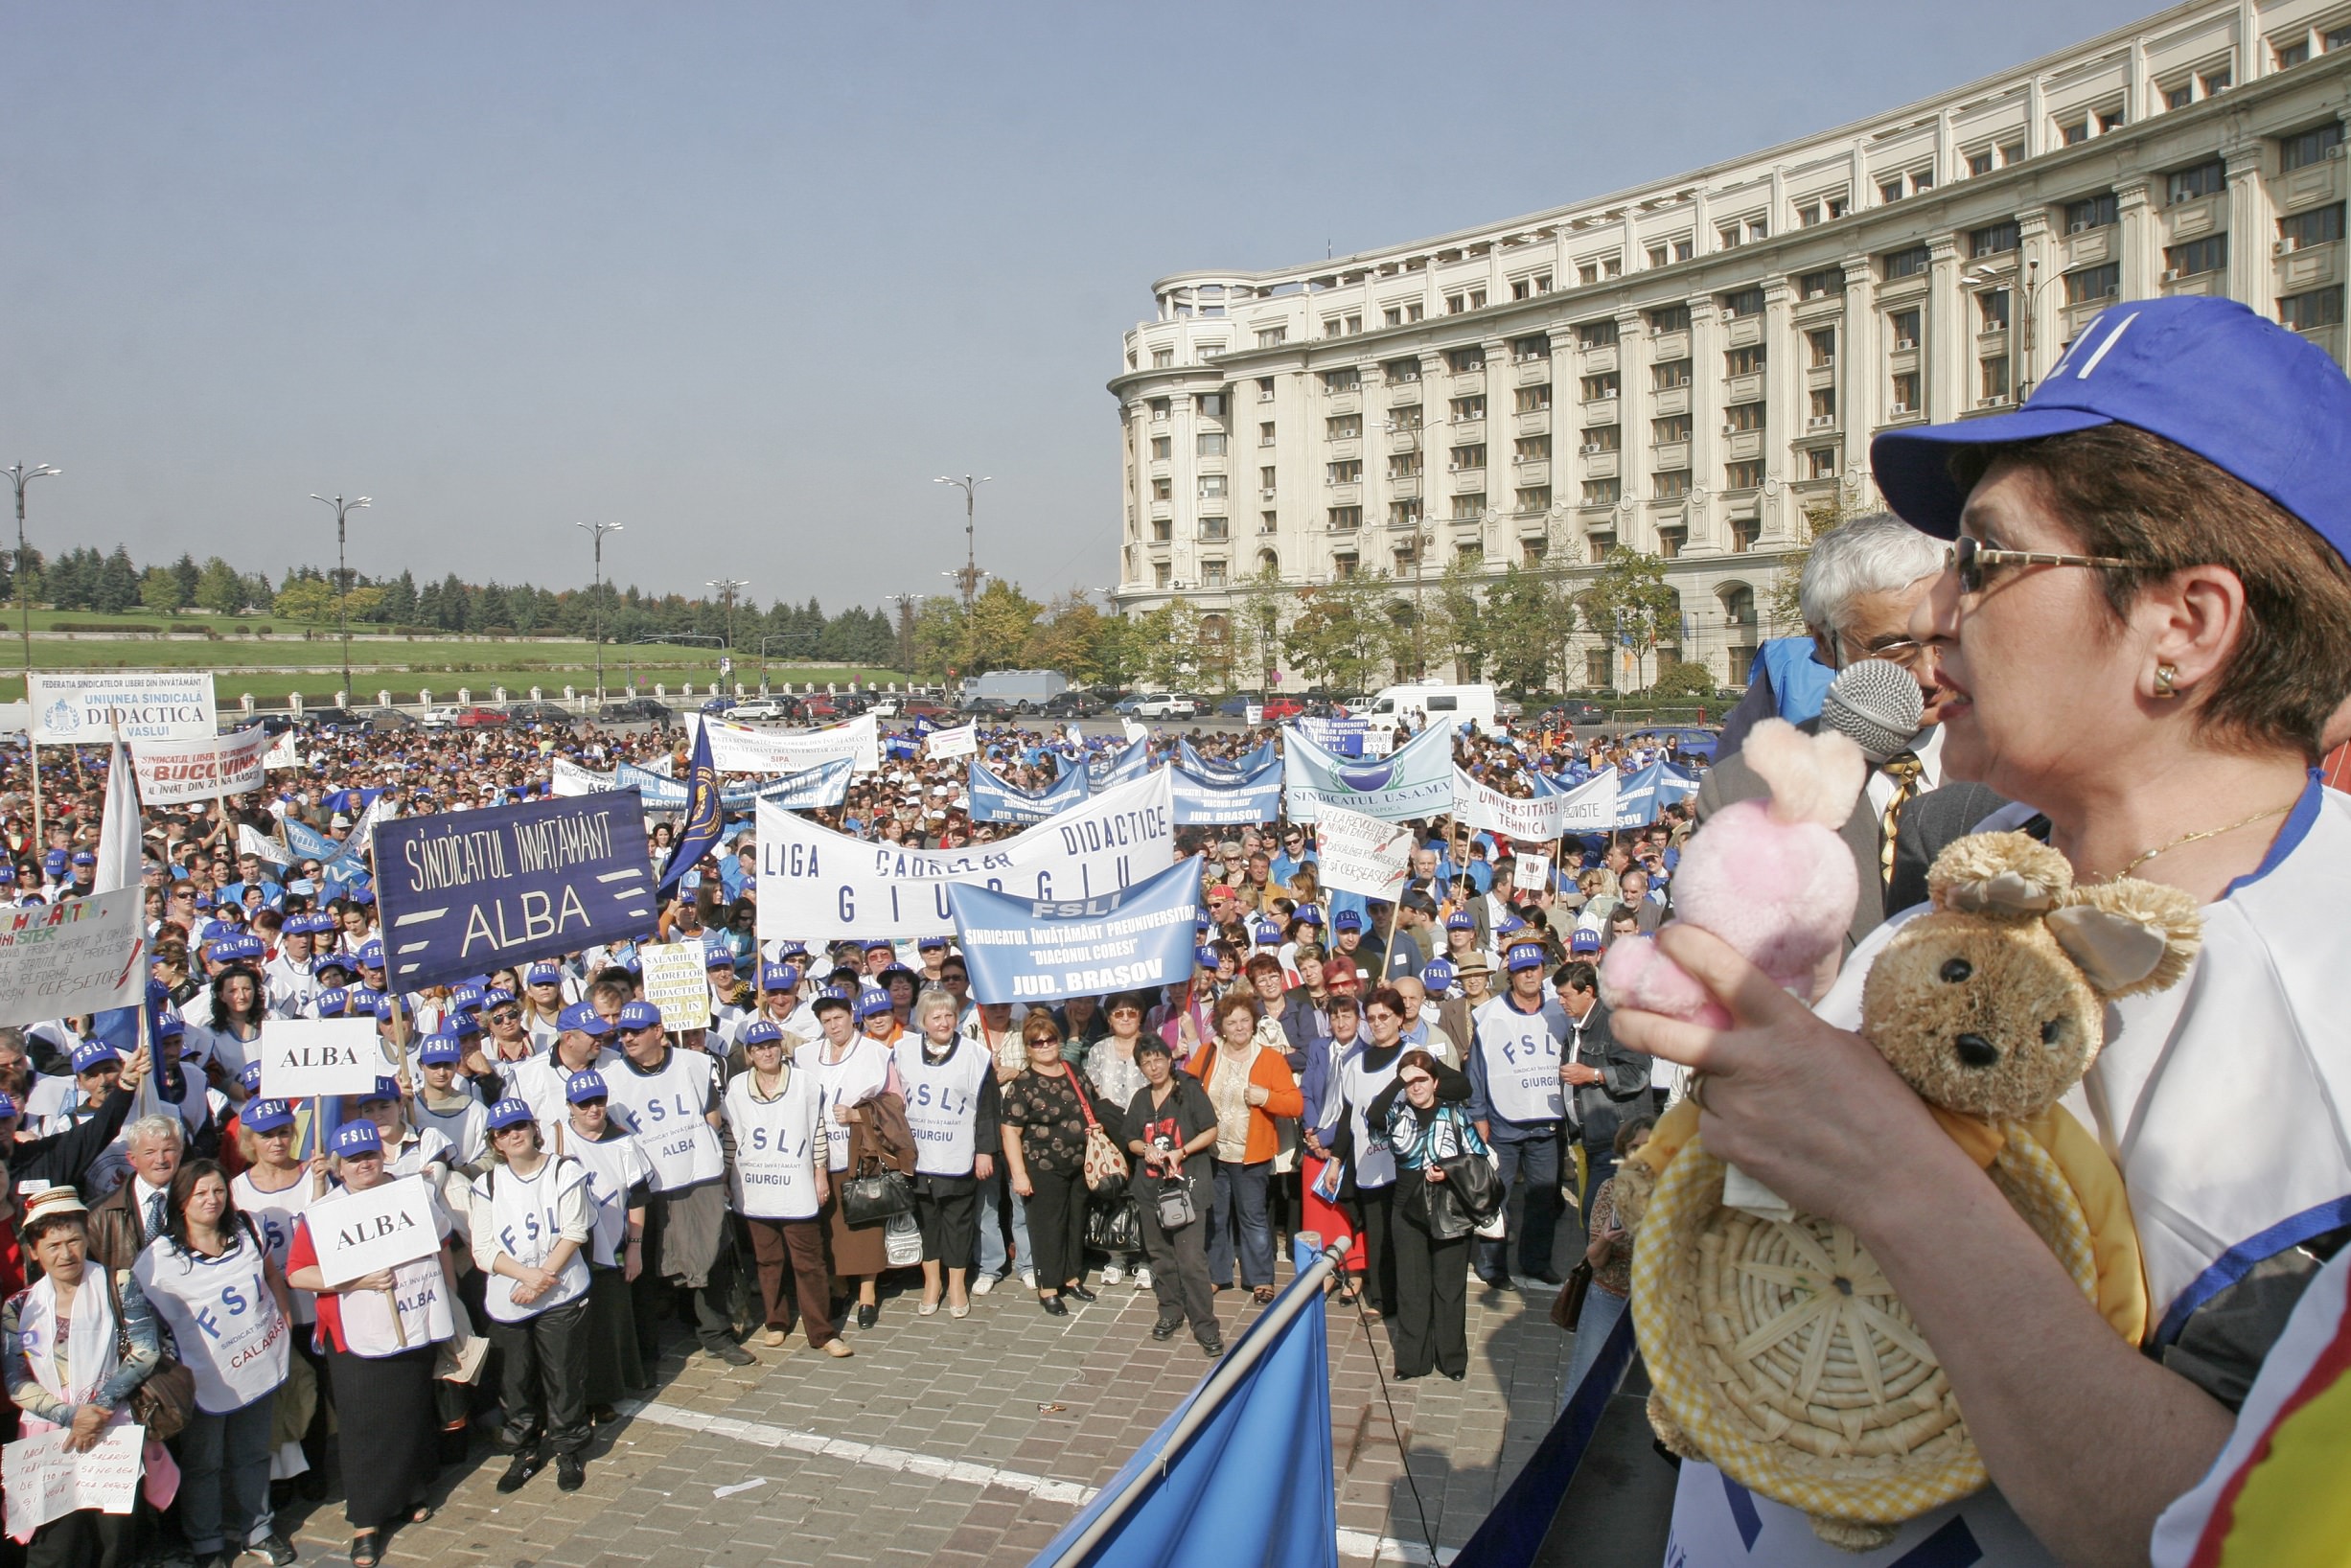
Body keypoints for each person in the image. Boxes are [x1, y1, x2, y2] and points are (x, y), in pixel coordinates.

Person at [1621, 297, 2351, 1563]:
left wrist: (1893, 1177)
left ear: (2185, 627)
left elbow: (2225, 1525)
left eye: (1986, 558)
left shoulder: (2314, 989)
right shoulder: (1989, 848)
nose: (1941, 612)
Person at [285, 1119, 463, 1568]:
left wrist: (451, 1295)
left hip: (414, 1320)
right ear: (340, 1167)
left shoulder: (412, 1193)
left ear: (382, 1156)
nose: (364, 1164)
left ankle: (410, 1492)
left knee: (411, 1410)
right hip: (354, 1334)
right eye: (354, 1159)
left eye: (370, 1155)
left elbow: (441, 1242)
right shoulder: (324, 1212)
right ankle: (366, 1519)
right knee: (364, 1425)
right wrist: (357, 1280)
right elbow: (298, 1273)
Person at [133, 1158, 297, 1568]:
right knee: (204, 1463)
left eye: (218, 1190)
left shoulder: (248, 1230)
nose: (212, 1199)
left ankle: (258, 1529)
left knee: (252, 1454)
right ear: (182, 1201)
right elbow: (138, 1317)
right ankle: (206, 1540)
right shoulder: (159, 1259)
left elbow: (271, 1276)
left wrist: (285, 1322)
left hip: (257, 1363)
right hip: (201, 1379)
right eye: (200, 1192)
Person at [2, 1187, 165, 1568]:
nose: (66, 1253)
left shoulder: (118, 1283)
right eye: (53, 1244)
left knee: (115, 1541)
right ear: (34, 1251)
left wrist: (99, 1407)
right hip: (48, 1441)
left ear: (87, 1238)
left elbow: (146, 1351)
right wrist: (70, 1416)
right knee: (55, 1543)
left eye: (74, 1240)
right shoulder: (18, 1306)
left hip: (111, 1432)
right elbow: (15, 1380)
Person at [469, 1097, 593, 1494]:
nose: (514, 1135)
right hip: (511, 1298)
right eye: (504, 1131)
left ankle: (568, 1448)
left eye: (519, 1126)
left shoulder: (563, 1169)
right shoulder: (486, 1183)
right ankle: (524, 1450)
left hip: (560, 1293)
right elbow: (484, 1250)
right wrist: (527, 1277)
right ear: (495, 1141)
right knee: (516, 1381)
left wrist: (543, 1278)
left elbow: (574, 1230)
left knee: (563, 1376)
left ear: (533, 1128)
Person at [723, 1024, 849, 1355]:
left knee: (810, 1261)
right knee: (768, 1261)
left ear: (782, 1047)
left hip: (796, 1182)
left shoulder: (805, 1083)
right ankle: (775, 1321)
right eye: (759, 1047)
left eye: (772, 1045)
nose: (767, 1052)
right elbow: (731, 1138)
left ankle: (822, 1331)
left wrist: (820, 1173)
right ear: (749, 1054)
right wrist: (726, 1178)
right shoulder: (736, 1088)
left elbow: (816, 1130)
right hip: (755, 1184)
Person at [230, 1097, 334, 1496]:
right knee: (279, 1394)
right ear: (249, 1140)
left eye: (283, 1132)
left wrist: (327, 1185)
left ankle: (316, 1470)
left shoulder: (316, 1176)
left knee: (319, 1389)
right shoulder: (237, 1190)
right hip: (271, 1312)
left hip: (318, 1303)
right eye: (266, 1135)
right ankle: (281, 1477)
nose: (276, 1141)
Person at [1370, 1048, 1483, 1382]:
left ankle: (1451, 1359)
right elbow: (1374, 1117)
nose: (1416, 1087)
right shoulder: (1397, 1113)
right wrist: (1397, 1082)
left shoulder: (1455, 1113)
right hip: (1407, 1207)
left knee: (1449, 1286)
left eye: (1422, 1079)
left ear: (1435, 1082)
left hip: (1449, 1204)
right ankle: (1412, 1360)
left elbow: (1477, 1156)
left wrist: (1448, 1171)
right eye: (1410, 1082)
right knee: (1412, 1286)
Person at [1464, 939, 1569, 1289]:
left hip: (1546, 1122)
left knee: (1542, 1200)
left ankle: (1536, 1262)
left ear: (1543, 971)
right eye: (1522, 969)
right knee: (1496, 1199)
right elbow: (1475, 1073)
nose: (1529, 974)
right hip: (1502, 1123)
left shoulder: (1559, 1011)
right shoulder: (1490, 1015)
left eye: (1535, 968)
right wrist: (1477, 1115)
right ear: (1510, 974)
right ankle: (1493, 1266)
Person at [1187, 993, 1302, 1303]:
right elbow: (1186, 1085)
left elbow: (1294, 1103)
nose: (1239, 1027)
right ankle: (1217, 1275)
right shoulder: (1210, 1052)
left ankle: (1261, 1278)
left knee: (1253, 1218)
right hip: (1213, 1154)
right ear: (1221, 1027)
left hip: (1252, 1156)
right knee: (1216, 1216)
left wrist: (1266, 1097)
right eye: (1231, 1021)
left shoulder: (1269, 1058)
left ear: (1254, 1022)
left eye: (1244, 1020)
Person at [891, 989, 1000, 1319]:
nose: (943, 1022)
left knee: (958, 1222)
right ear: (923, 1020)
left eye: (949, 1015)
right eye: (936, 1017)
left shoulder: (975, 1055)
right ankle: (932, 1283)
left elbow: (987, 1109)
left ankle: (956, 1285)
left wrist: (985, 1151)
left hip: (956, 1153)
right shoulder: (902, 1050)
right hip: (919, 1155)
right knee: (927, 1222)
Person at [550, 1069, 652, 1418]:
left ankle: (603, 1394)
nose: (593, 1109)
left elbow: (637, 1198)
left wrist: (636, 1247)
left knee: (607, 1322)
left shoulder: (623, 1141)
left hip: (611, 1246)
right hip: (568, 1247)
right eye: (584, 1104)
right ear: (570, 1106)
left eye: (599, 1101)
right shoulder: (556, 1139)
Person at [810, 989, 903, 1329]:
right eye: (826, 1020)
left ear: (852, 1016)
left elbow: (896, 1103)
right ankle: (837, 1286)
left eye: (838, 1017)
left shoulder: (877, 1053)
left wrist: (858, 1115)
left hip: (859, 1151)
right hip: (820, 1154)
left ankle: (867, 1293)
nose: (833, 1025)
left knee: (863, 1221)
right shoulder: (807, 1053)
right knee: (829, 1223)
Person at [1124, 1035, 1221, 1356]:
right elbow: (1130, 1140)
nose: (1153, 1067)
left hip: (1188, 1187)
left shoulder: (1189, 1091)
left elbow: (1210, 1130)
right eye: (1146, 1062)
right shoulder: (1140, 1099)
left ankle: (1205, 1325)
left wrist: (1182, 1151)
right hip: (1150, 1189)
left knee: (1191, 1260)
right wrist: (1146, 1148)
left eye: (1158, 1059)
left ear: (1170, 1059)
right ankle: (1170, 1311)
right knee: (1161, 1257)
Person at [998, 1012, 1095, 1316]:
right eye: (1037, 1042)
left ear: (1059, 1040)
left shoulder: (1075, 1072)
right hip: (1042, 1167)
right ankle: (1048, 1286)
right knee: (1047, 1228)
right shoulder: (1024, 1084)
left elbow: (1094, 1107)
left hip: (1079, 1165)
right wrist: (1019, 1175)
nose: (1045, 1045)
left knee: (1075, 1223)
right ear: (1028, 1048)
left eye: (1050, 1039)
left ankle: (1071, 1276)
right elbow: (1010, 1131)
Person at [1557, 1116, 1653, 1411]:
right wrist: (1608, 1239)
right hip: (1609, 1295)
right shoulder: (1610, 1190)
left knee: (1643, 1390)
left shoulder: (1676, 1193)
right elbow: (1595, 1259)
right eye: (1632, 1147)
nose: (1639, 1154)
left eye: (1648, 1146)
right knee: (1585, 1382)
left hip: (1655, 1303)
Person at [1555, 958, 1648, 1205]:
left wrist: (1592, 1074)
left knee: (1601, 1215)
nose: (1560, 1002)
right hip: (1591, 1140)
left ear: (1588, 991)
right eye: (1558, 995)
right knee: (1598, 1217)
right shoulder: (1575, 1026)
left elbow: (1637, 1073)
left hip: (1617, 1142)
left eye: (1566, 995)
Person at [1084, 994, 1152, 1290]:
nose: (1125, 1018)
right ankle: (1117, 1256)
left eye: (1131, 1013)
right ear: (1109, 1019)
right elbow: (1093, 1087)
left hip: (1146, 1128)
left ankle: (1147, 1258)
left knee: (1145, 1194)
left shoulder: (1151, 1045)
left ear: (1140, 1016)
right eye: (1119, 1013)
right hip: (1111, 1130)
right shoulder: (1099, 1049)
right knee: (1114, 1193)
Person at [87, 1112, 185, 1269]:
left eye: (168, 1150)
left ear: (180, 1153)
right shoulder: (97, 1216)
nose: (160, 1160)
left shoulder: (197, 1201)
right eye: (150, 1152)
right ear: (132, 1159)